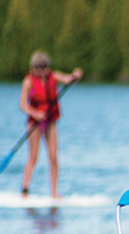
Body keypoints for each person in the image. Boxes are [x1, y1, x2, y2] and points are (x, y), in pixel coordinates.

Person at [20, 51, 83, 199]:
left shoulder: (52, 77)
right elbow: (23, 105)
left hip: (50, 121)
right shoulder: (28, 81)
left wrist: (75, 75)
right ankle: (24, 191)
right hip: (34, 123)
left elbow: (68, 79)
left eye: (44, 68)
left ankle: (54, 193)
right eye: (38, 69)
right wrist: (36, 114)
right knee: (33, 157)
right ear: (33, 68)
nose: (42, 72)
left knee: (53, 157)